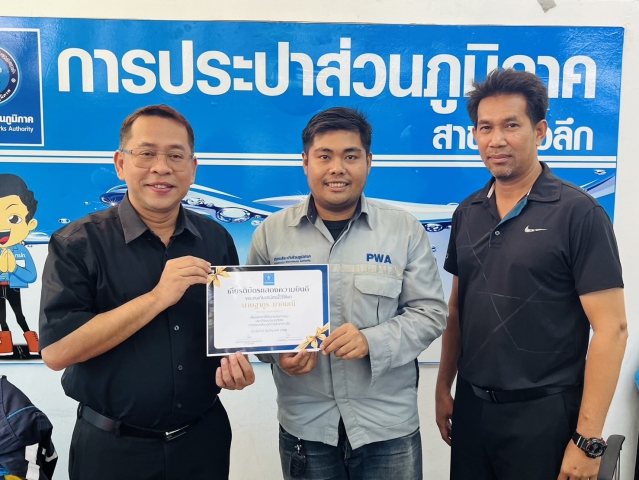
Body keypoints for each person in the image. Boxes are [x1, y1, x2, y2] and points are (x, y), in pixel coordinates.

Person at [39, 104, 255, 480]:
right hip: (111, 452)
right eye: (147, 153)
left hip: (202, 442)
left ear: (192, 169)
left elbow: (229, 335)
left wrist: (235, 368)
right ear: (121, 164)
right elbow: (57, 352)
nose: (161, 167)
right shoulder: (77, 243)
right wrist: (156, 297)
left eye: (176, 156)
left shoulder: (216, 239)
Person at [435, 69, 627, 480]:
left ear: (539, 131)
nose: (496, 140)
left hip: (545, 417)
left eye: (511, 125)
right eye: (485, 127)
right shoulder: (467, 212)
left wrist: (587, 440)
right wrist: (442, 388)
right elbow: (457, 311)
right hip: (472, 409)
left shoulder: (579, 213)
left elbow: (613, 329)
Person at [248, 107, 447, 480]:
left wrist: (372, 341)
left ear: (369, 162)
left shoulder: (404, 230)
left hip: (386, 429)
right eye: (324, 156)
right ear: (305, 162)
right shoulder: (270, 235)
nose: (337, 168)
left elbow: (431, 314)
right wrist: (277, 355)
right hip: (306, 428)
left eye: (350, 156)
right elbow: (255, 323)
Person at [0, 174, 40, 356]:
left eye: (14, 218)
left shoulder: (21, 251)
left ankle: (33, 343)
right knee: (1, 318)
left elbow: (31, 275)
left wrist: (14, 268)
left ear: (30, 224)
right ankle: (5, 345)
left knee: (19, 315)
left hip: (14, 287)